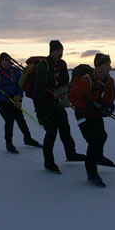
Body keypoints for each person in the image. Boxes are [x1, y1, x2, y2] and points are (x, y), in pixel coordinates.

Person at [33, 40, 86, 173]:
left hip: (57, 102)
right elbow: (38, 87)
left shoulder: (62, 64)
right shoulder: (43, 65)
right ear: (52, 51)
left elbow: (64, 83)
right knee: (51, 131)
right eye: (58, 50)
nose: (60, 53)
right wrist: (52, 93)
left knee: (65, 127)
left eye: (61, 50)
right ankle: (49, 162)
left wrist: (63, 94)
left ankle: (71, 154)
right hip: (43, 103)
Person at [69, 53, 115, 186]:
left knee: (102, 136)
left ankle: (99, 157)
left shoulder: (109, 81)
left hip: (95, 114)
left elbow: (110, 97)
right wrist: (90, 106)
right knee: (93, 141)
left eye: (109, 64)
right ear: (98, 66)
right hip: (82, 114)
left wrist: (108, 106)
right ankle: (91, 172)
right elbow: (73, 99)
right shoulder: (86, 81)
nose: (109, 67)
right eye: (106, 65)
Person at [0, 52, 42, 153]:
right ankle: (9, 143)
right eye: (5, 60)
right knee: (9, 120)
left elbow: (21, 84)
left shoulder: (16, 71)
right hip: (3, 101)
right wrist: (7, 99)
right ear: (1, 61)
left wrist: (19, 96)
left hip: (15, 99)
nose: (8, 63)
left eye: (9, 60)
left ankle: (28, 138)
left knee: (20, 118)